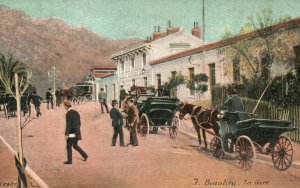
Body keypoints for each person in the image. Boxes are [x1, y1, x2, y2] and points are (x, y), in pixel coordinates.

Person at [63, 100, 88, 164]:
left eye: (64, 106)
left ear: (66, 106)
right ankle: (85, 155)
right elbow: (79, 123)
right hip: (76, 132)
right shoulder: (76, 112)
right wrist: (77, 131)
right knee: (75, 145)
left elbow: (68, 125)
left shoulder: (68, 114)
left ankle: (69, 161)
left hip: (71, 133)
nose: (64, 108)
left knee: (69, 146)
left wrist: (66, 134)